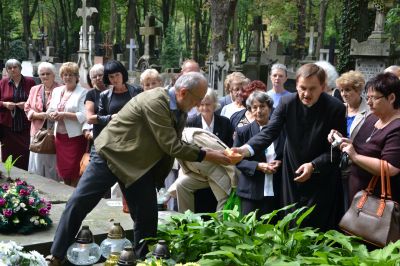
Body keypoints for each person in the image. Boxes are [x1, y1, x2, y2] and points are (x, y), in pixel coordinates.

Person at [45, 72, 232, 266]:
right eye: (197, 99)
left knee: (147, 217)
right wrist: (208, 154)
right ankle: (56, 256)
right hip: (111, 155)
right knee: (79, 202)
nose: (199, 104)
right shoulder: (155, 101)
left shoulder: (181, 109)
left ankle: (142, 261)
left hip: (137, 165)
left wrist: (157, 179)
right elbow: (171, 145)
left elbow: (169, 147)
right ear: (183, 92)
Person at [233, 63, 346, 231]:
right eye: (302, 88)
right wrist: (245, 150)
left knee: (317, 227)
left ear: (323, 87)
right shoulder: (287, 102)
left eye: (312, 89)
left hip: (322, 176)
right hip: (292, 173)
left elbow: (336, 150)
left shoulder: (335, 108)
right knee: (290, 224)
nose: (306, 94)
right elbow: (269, 132)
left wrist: (313, 166)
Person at [330, 72, 400, 205]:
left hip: (377, 202)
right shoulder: (372, 118)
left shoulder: (397, 127)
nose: (368, 102)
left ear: (391, 98)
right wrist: (343, 141)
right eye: (367, 98)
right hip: (358, 194)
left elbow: (391, 168)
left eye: (374, 98)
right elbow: (362, 147)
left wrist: (355, 156)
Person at [234, 91, 285, 218]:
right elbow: (236, 159)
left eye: (262, 106)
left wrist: (280, 162)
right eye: (254, 108)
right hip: (251, 190)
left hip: (277, 189)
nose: (259, 111)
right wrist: (258, 166)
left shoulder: (282, 131)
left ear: (270, 108)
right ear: (250, 110)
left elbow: (288, 153)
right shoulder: (243, 132)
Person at [169, 127, 237, 213]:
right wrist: (169, 194)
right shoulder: (174, 143)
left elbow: (226, 155)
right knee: (181, 184)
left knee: (224, 200)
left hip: (220, 172)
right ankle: (186, 220)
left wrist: (235, 182)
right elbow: (185, 167)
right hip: (201, 175)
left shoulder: (196, 137)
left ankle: (221, 226)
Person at [46, 62, 87, 187]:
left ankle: (74, 193)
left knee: (74, 170)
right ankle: (66, 192)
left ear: (76, 77)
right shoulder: (57, 91)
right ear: (61, 76)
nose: (67, 77)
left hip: (75, 138)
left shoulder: (83, 92)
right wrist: (52, 114)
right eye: (65, 75)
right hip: (60, 136)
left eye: (71, 75)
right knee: (63, 170)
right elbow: (51, 109)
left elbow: (83, 115)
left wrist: (64, 115)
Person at [335, 70, 369, 211]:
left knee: (354, 205)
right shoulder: (339, 108)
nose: (344, 94)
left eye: (348, 90)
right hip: (338, 164)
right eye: (341, 90)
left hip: (358, 166)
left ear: (359, 89)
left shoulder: (369, 111)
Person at [24, 62, 60, 180]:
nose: (45, 76)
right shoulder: (34, 89)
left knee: (51, 163)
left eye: (47, 73)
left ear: (53, 75)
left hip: (54, 132)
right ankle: (37, 187)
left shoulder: (60, 89)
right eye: (42, 74)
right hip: (37, 132)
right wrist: (36, 114)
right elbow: (27, 107)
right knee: (36, 163)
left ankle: (52, 189)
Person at [0, 59, 35, 170]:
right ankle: (9, 179)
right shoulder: (3, 82)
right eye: (9, 68)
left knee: (25, 154)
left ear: (20, 68)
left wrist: (26, 104)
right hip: (8, 128)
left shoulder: (30, 82)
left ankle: (25, 181)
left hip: (25, 126)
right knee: (8, 156)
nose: (13, 69)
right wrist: (5, 104)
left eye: (15, 67)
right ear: (7, 70)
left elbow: (36, 100)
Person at [82, 64, 107, 144]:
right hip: (97, 133)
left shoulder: (114, 90)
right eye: (94, 77)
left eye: (100, 75)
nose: (98, 78)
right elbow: (89, 117)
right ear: (91, 79)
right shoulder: (91, 94)